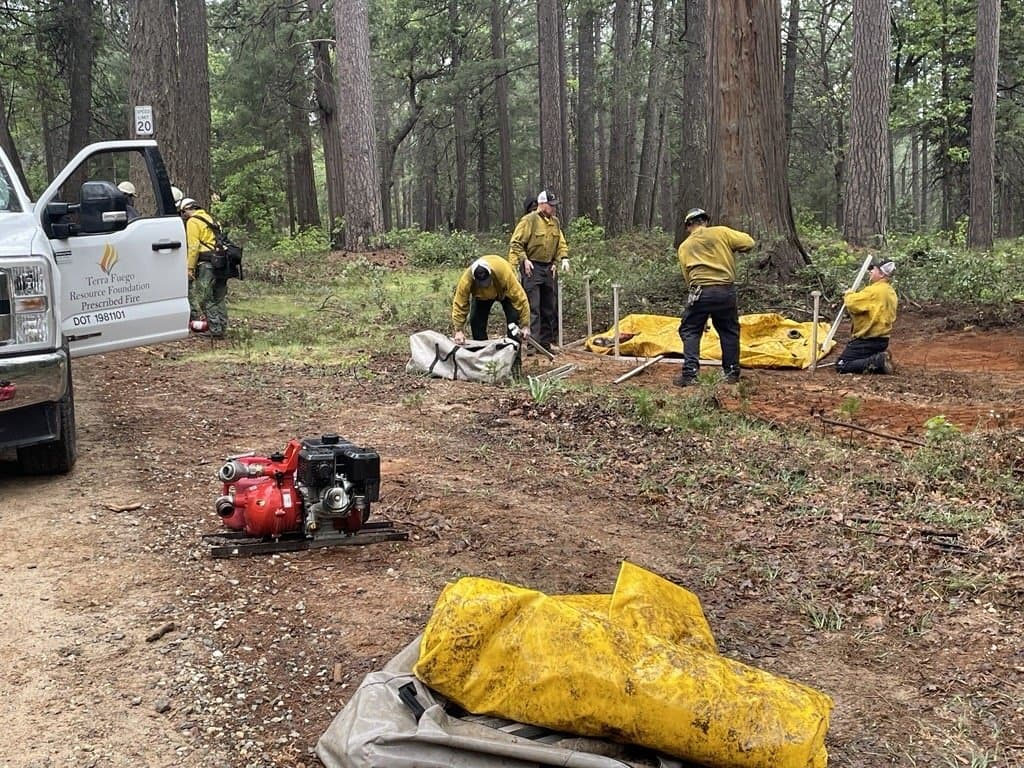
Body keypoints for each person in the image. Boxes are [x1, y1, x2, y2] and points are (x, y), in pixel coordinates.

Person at [674, 207, 755, 386]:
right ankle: (732, 373)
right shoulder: (721, 233)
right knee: (729, 331)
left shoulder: (685, 246)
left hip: (700, 292)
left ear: (688, 226)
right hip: (725, 291)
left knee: (690, 330)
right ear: (705, 221)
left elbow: (687, 276)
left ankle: (690, 374)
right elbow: (748, 243)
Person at [507, 189, 569, 351]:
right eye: (550, 205)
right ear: (542, 205)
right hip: (532, 267)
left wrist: (560, 259)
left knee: (549, 307)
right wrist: (524, 259)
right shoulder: (529, 220)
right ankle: (532, 346)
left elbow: (560, 243)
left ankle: (545, 343)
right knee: (533, 307)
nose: (553, 208)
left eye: (554, 205)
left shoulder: (555, 222)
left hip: (549, 268)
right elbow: (516, 243)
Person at [452, 255, 531, 345]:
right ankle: (482, 353)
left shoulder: (505, 273)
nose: (485, 285)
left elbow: (521, 299)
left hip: (505, 292)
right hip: (481, 296)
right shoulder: (466, 281)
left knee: (513, 323)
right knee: (475, 322)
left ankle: (515, 355)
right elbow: (460, 303)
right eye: (481, 282)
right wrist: (459, 330)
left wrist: (525, 325)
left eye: (486, 280)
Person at [178, 196, 229, 338]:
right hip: (220, 262)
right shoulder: (211, 219)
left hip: (206, 263)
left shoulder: (193, 222)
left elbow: (193, 247)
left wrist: (189, 268)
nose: (183, 216)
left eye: (183, 212)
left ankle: (215, 329)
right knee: (219, 296)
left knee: (205, 297)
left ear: (189, 209)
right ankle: (222, 326)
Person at [836, 260, 898, 374]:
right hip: (883, 340)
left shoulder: (874, 291)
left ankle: (878, 361)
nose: (870, 271)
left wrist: (848, 294)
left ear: (881, 274)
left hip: (868, 340)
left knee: (842, 364)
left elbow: (852, 303)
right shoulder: (890, 291)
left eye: (873, 269)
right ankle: (879, 356)